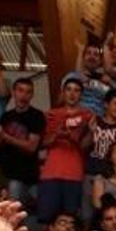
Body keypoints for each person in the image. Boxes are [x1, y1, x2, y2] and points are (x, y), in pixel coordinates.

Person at [38, 77, 93, 223]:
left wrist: (78, 135)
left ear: (81, 95)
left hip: (74, 174)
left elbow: (85, 147)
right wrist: (57, 134)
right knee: (47, 220)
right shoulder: (50, 114)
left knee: (70, 221)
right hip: (51, 173)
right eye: (69, 89)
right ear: (63, 92)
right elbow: (41, 144)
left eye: (76, 90)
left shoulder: (88, 116)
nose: (72, 94)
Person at [0, 76, 44, 207]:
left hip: (29, 175)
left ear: (32, 95)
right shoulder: (6, 116)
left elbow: (31, 147)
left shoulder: (36, 115)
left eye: (28, 92)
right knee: (13, 211)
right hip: (7, 173)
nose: (23, 95)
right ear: (14, 92)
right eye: (20, 90)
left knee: (32, 210)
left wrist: (4, 136)